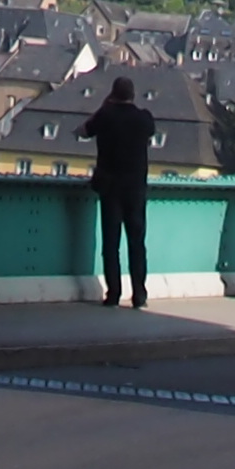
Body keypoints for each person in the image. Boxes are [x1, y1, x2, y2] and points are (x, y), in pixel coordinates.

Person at [86, 75, 158, 310]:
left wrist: (105, 105)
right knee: (137, 243)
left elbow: (84, 130)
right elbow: (150, 132)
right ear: (133, 95)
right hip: (136, 189)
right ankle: (139, 294)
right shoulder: (144, 119)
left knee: (111, 244)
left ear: (112, 94)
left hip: (110, 188)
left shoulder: (105, 116)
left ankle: (113, 293)